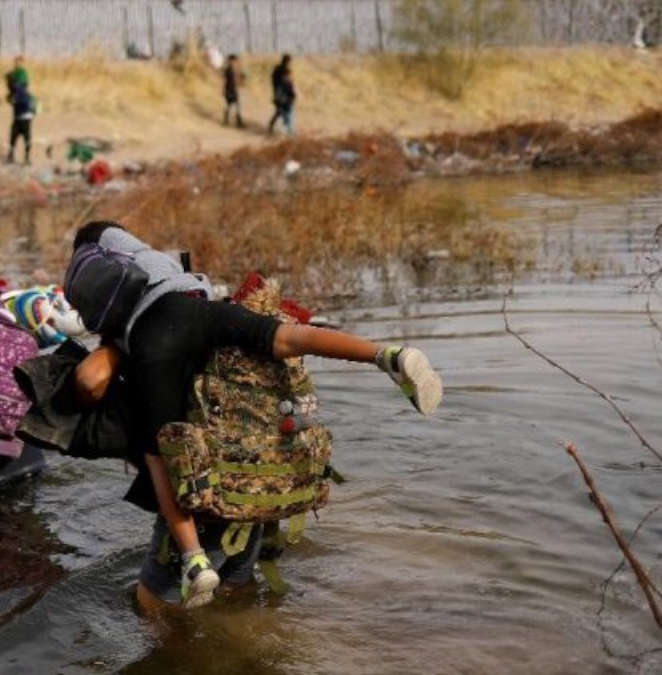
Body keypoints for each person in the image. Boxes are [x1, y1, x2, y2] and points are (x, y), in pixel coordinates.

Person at [65, 221, 443, 610]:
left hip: (206, 471)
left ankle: (194, 560)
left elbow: (95, 382)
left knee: (159, 466)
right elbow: (288, 338)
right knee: (285, 336)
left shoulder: (132, 335)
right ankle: (385, 355)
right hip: (252, 474)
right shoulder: (162, 270)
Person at [7, 81, 36, 165]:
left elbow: (12, 101)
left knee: (13, 137)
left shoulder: (17, 94)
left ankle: (11, 156)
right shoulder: (29, 96)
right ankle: (27, 158)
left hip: (19, 119)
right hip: (27, 119)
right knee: (27, 138)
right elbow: (34, 108)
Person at [268, 53, 296, 136]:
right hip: (283, 95)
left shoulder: (278, 69)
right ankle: (289, 131)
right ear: (287, 61)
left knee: (279, 112)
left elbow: (273, 81)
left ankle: (272, 125)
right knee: (287, 113)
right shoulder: (283, 72)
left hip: (280, 94)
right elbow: (286, 85)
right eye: (290, 61)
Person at [223, 53, 245, 129]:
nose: (235, 62)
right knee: (229, 106)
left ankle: (237, 121)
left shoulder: (234, 69)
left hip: (233, 90)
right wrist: (223, 90)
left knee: (236, 106)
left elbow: (237, 80)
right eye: (233, 61)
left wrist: (242, 77)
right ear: (230, 61)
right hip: (229, 89)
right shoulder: (228, 70)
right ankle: (228, 120)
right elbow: (224, 80)